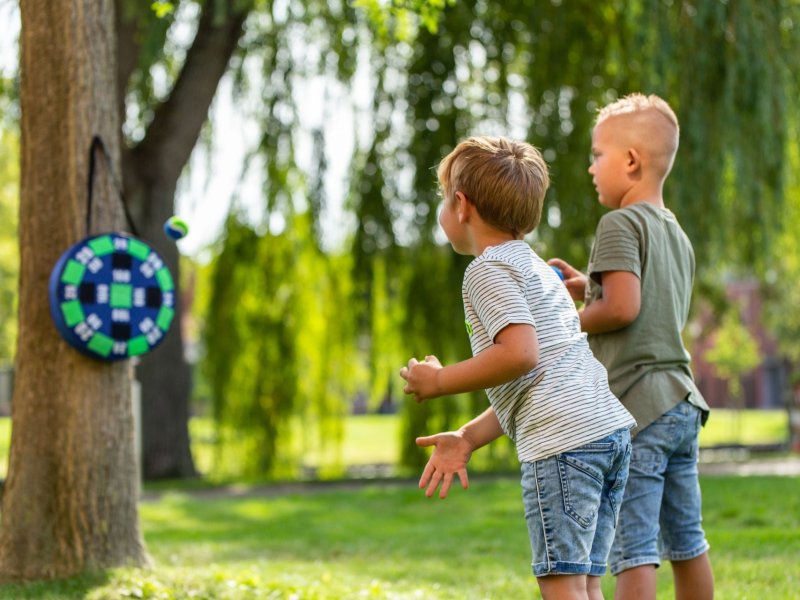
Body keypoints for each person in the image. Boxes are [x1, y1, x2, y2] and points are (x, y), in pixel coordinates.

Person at [399, 136, 636, 600]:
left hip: (565, 445)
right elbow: (534, 379)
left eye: (443, 199)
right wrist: (467, 437)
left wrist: (442, 380)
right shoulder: (534, 268)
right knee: (585, 584)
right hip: (606, 433)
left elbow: (520, 354)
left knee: (562, 586)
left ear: (461, 206)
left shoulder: (487, 270)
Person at [548, 93, 714, 600]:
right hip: (681, 403)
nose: (591, 166)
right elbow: (644, 299)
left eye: (598, 155)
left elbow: (622, 309)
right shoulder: (676, 233)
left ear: (631, 162)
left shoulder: (617, 223)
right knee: (687, 540)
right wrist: (586, 286)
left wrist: (567, 322)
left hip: (639, 407)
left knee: (634, 546)